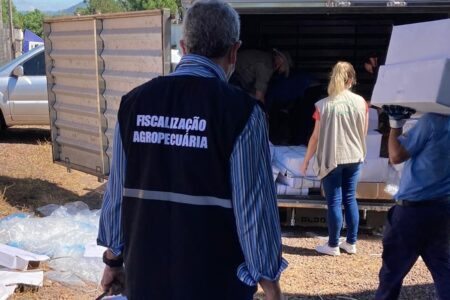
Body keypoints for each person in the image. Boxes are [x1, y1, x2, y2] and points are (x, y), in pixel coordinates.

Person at [96, 0, 287, 299]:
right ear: (234, 51)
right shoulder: (242, 113)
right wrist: (271, 286)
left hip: (146, 280)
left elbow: (117, 195)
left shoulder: (133, 104)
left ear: (184, 46)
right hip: (215, 283)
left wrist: (113, 260)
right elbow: (254, 210)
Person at [375, 106, 450, 300]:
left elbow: (396, 156)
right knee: (443, 270)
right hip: (443, 208)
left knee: (391, 274)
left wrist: (395, 125)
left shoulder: (431, 122)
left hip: (413, 210)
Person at [300, 61, 368, 256]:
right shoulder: (361, 102)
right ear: (351, 79)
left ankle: (332, 245)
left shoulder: (323, 105)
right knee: (350, 198)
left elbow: (315, 137)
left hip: (332, 158)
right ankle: (351, 242)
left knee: (334, 202)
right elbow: (362, 133)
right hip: (355, 156)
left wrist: (306, 160)